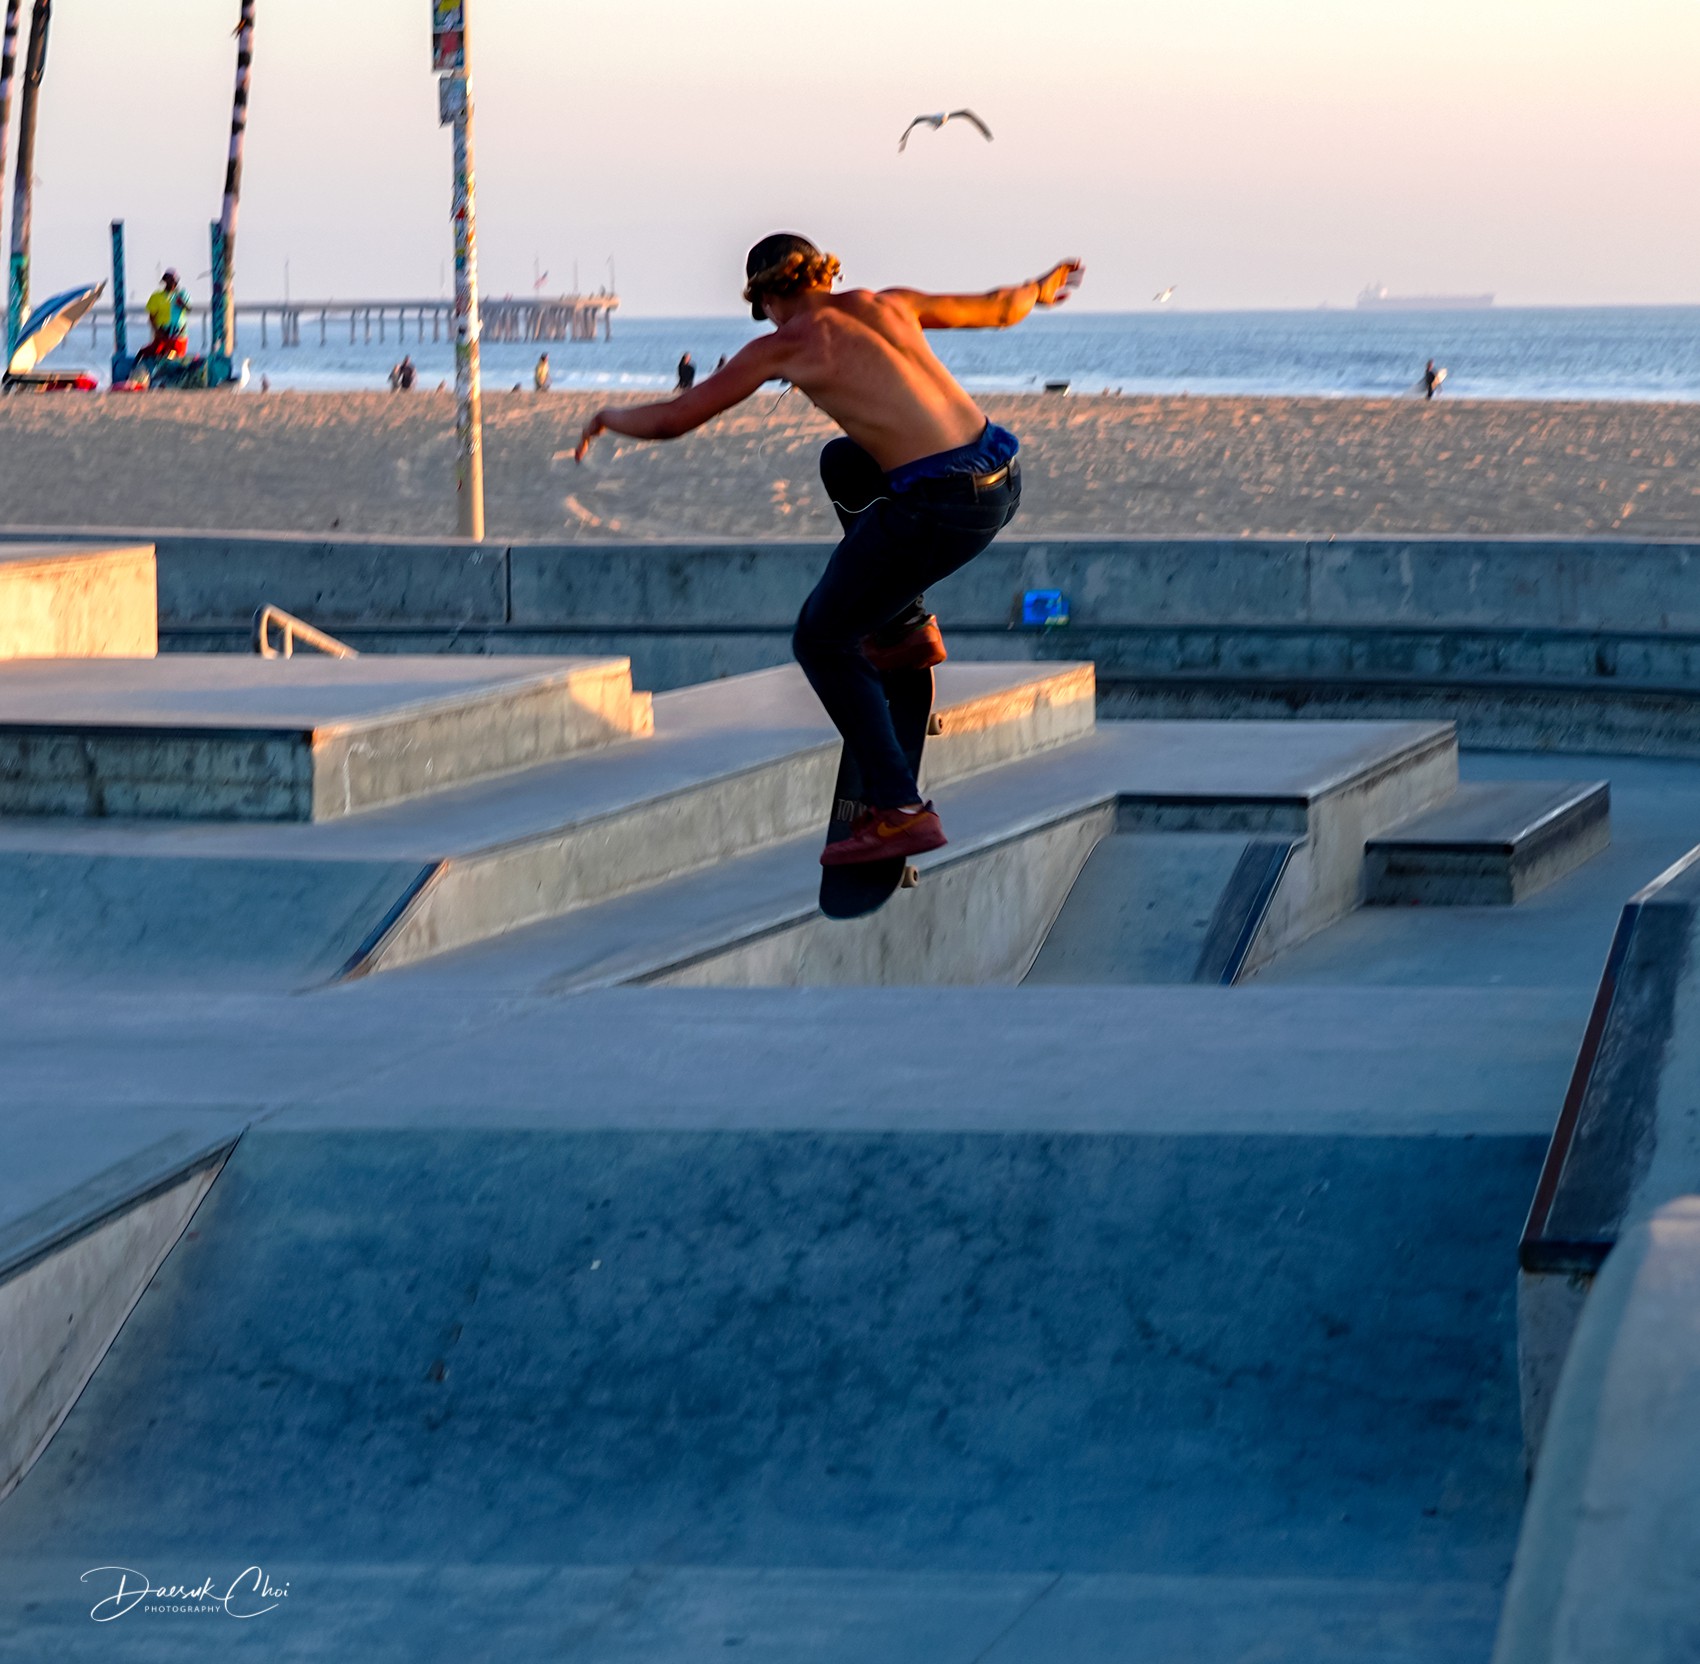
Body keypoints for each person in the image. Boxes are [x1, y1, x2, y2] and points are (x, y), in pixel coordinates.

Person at [577, 232, 1082, 864]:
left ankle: (901, 811)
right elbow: (1000, 307)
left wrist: (607, 416)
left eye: (763, 311)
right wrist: (1040, 286)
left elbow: (674, 419)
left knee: (821, 639)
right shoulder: (886, 303)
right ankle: (903, 627)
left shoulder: (784, 346)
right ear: (820, 275)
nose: (768, 322)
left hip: (942, 509)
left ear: (768, 298)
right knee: (843, 461)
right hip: (1001, 478)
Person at [142, 270, 192, 361]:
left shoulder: (182, 294)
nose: (172, 283)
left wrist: (182, 302)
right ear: (165, 281)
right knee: (146, 353)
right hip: (163, 334)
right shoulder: (156, 296)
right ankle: (136, 367)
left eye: (174, 281)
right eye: (169, 281)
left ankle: (173, 364)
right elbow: (152, 316)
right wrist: (157, 331)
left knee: (172, 356)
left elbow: (189, 309)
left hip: (179, 335)